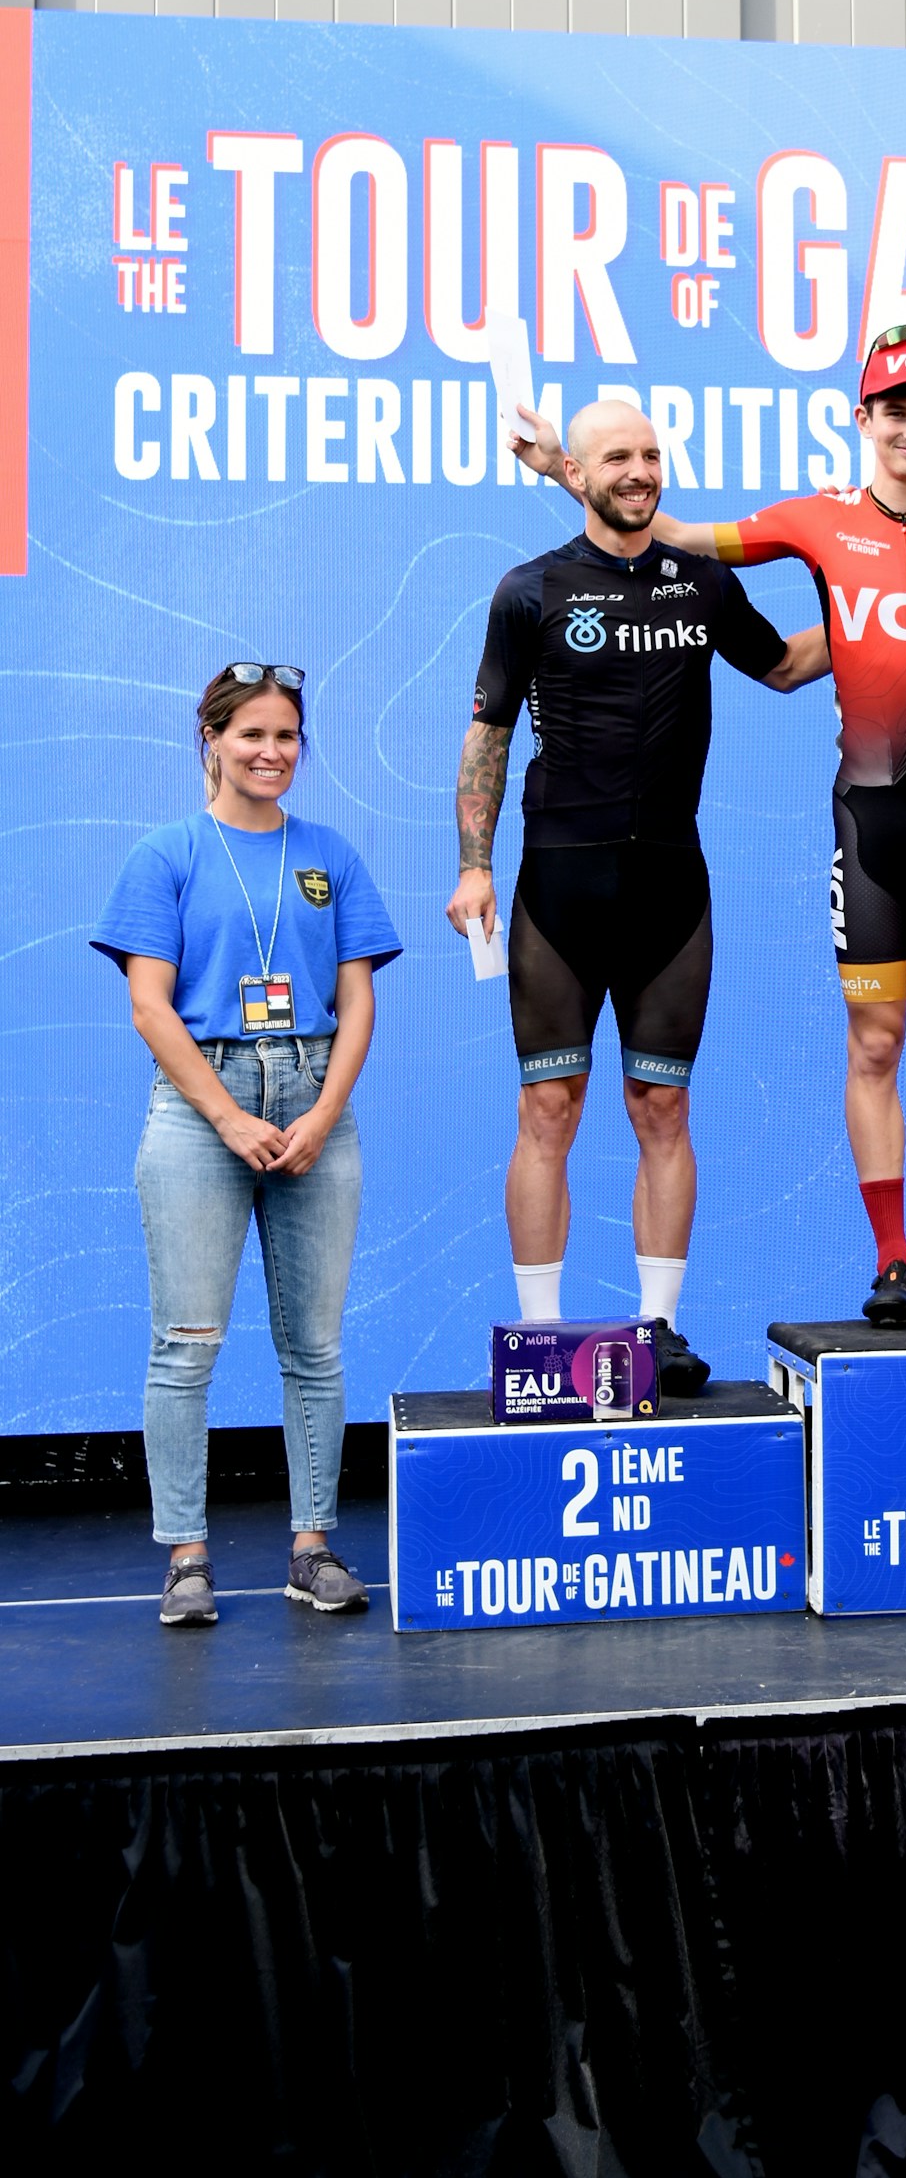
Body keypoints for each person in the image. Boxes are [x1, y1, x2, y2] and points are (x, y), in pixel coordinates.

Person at [524, 327, 906, 1328]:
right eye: (898, 410)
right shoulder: (815, 521)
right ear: (865, 419)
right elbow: (673, 538)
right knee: (875, 1043)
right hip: (873, 817)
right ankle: (893, 1261)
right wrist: (563, 476)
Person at [447, 399, 824, 1394]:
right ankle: (541, 1339)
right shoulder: (527, 591)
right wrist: (473, 864)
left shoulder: (702, 583)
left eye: (653, 453)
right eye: (620, 455)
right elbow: (488, 737)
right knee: (548, 1108)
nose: (642, 469)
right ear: (583, 469)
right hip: (557, 888)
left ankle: (657, 1326)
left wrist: (879, 612)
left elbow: (784, 666)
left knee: (662, 1107)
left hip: (670, 888)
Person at [91, 663, 401, 1628]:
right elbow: (151, 1005)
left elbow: (357, 1003)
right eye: (252, 735)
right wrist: (228, 1118)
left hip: (315, 1104)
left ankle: (311, 1550)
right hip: (200, 1109)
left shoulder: (331, 855)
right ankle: (187, 1557)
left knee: (314, 1348)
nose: (272, 752)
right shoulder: (167, 854)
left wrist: (319, 1116)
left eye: (288, 737)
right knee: (186, 1348)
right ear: (212, 741)